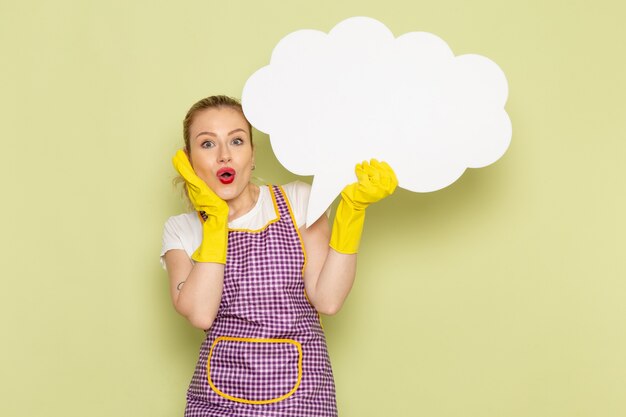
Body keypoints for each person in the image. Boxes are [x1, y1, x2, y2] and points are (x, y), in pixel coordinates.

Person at [160, 95, 397, 417]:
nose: (224, 156)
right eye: (207, 144)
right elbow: (201, 314)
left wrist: (352, 212)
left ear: (252, 153)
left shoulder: (298, 200)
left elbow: (327, 301)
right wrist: (215, 223)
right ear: (188, 160)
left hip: (302, 398)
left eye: (237, 141)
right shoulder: (181, 230)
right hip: (218, 400)